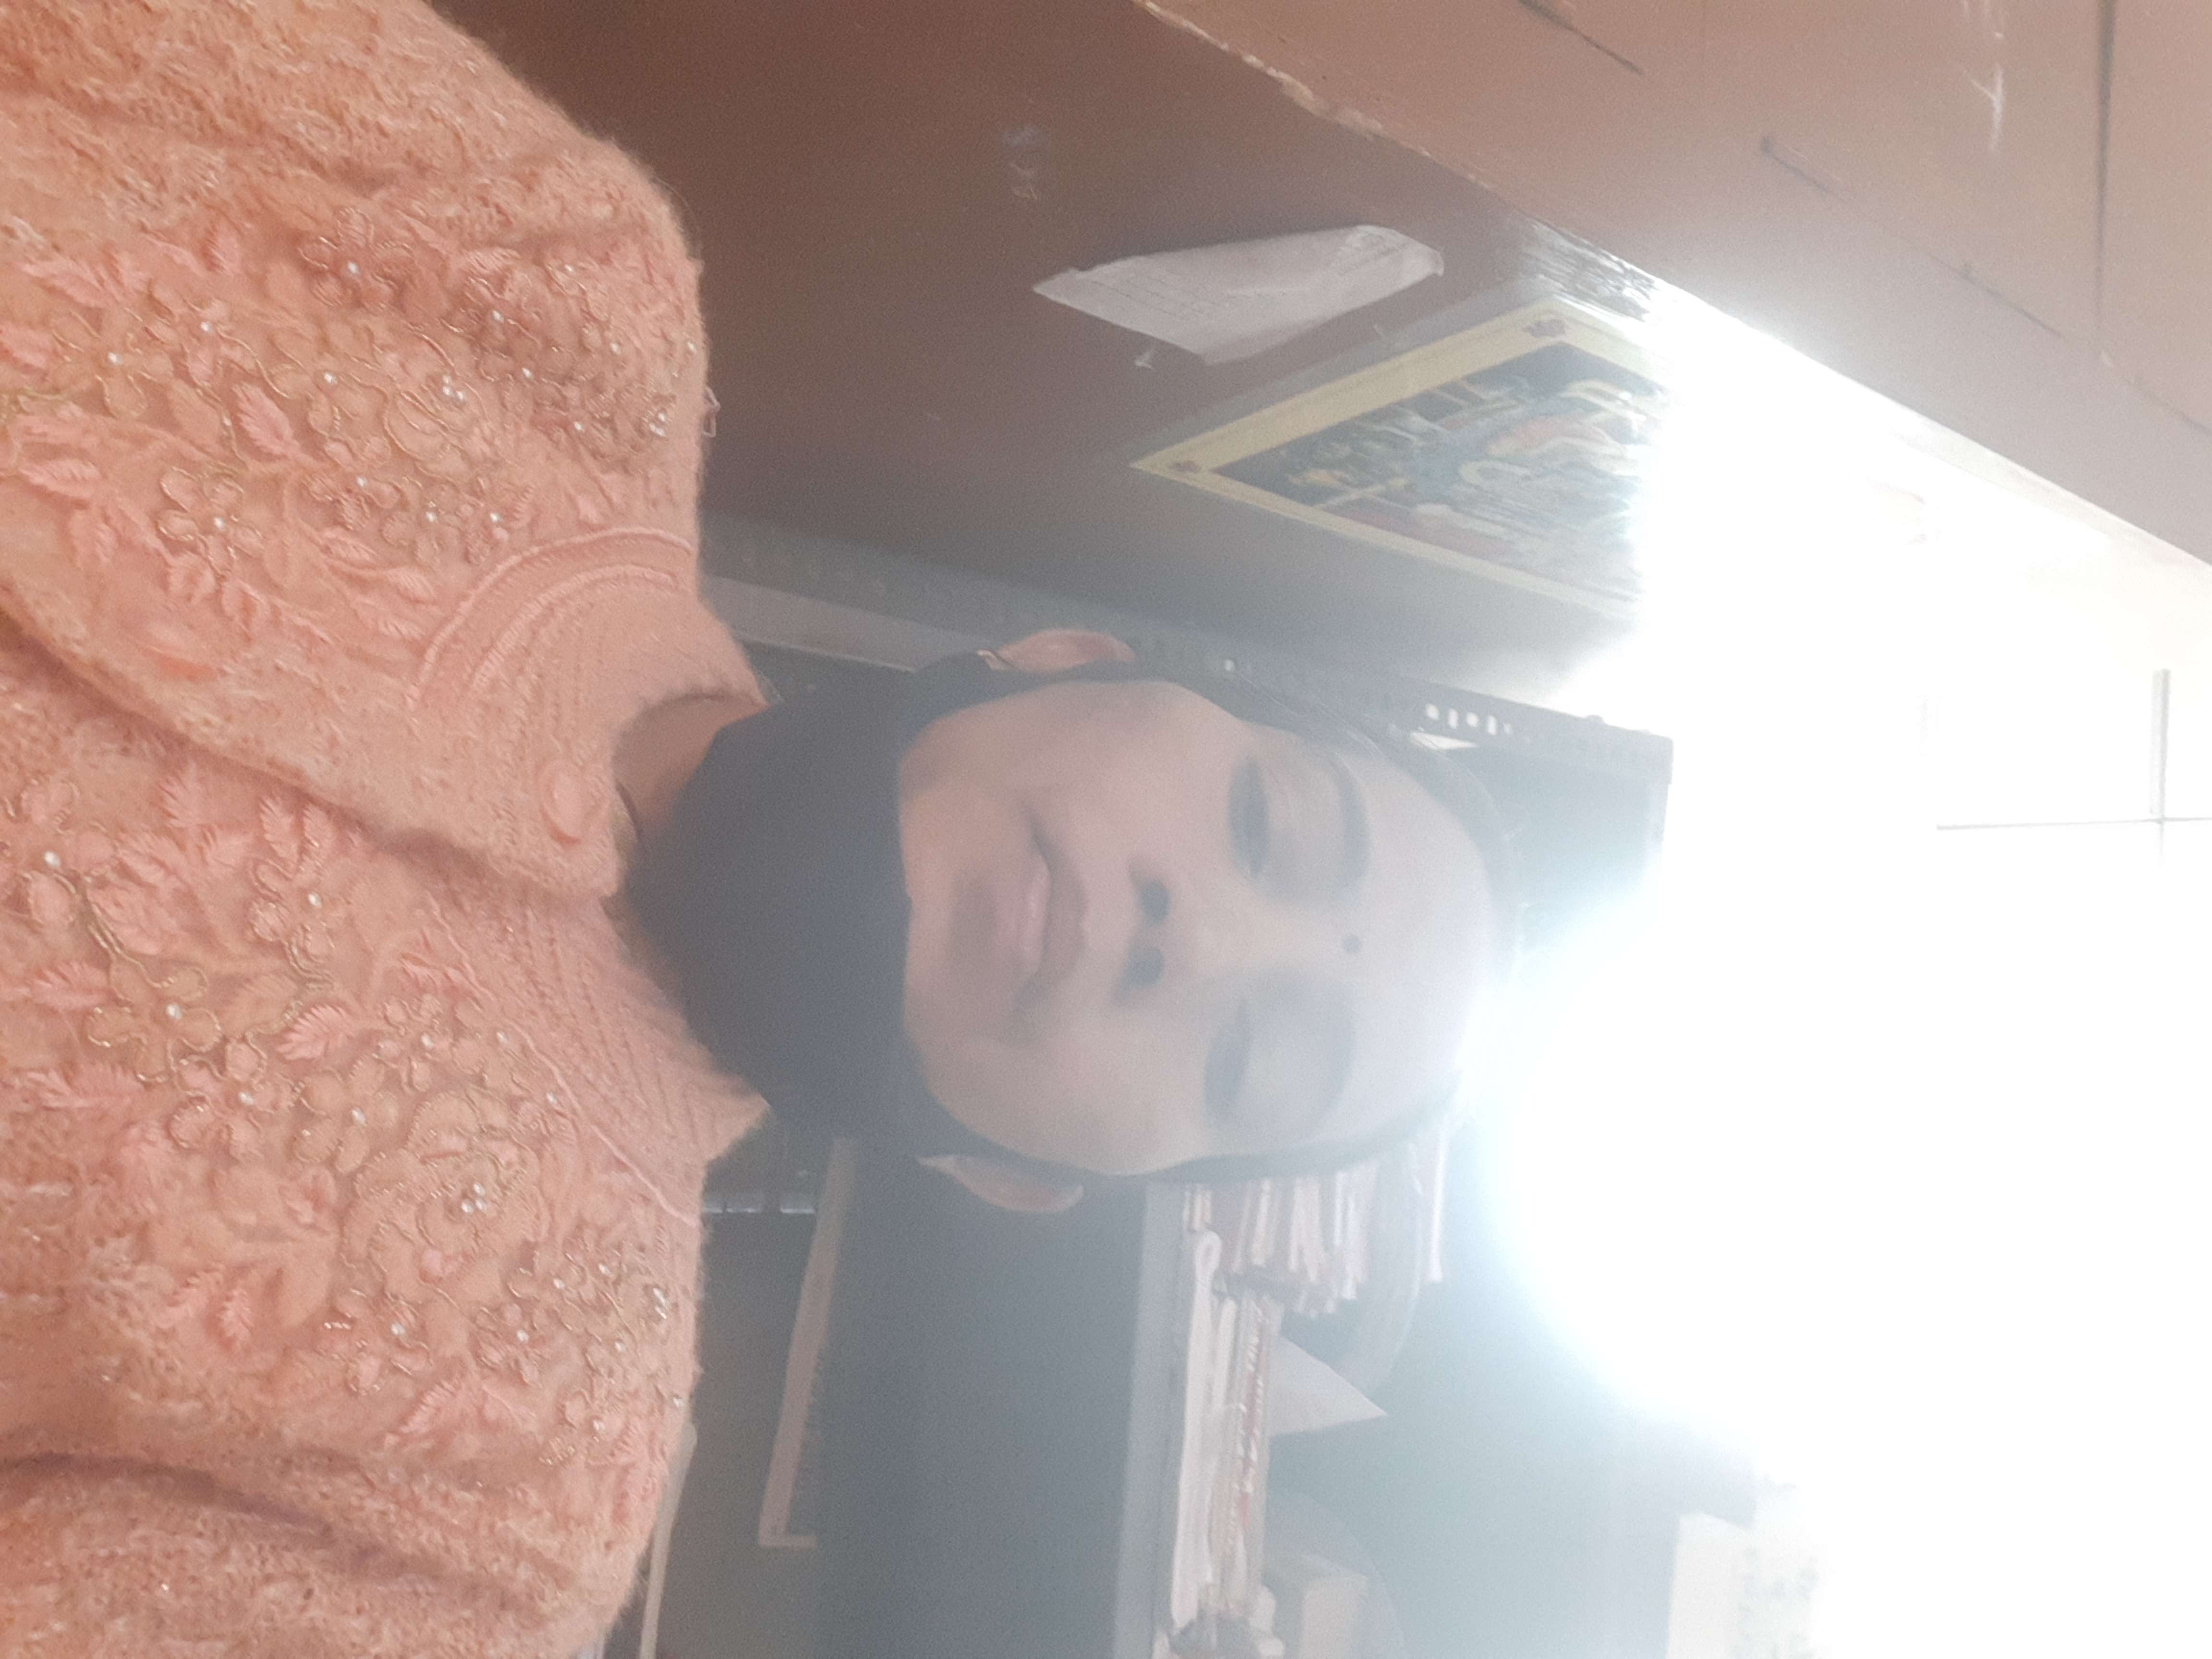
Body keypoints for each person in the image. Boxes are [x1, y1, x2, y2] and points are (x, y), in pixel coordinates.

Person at [0, 3, 1503, 1654]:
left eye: (1248, 1059)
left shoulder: (486, 1524)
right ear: (1066, 656)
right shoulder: (555, 282)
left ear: (1022, 1179)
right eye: (1265, 824)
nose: (1194, 940)